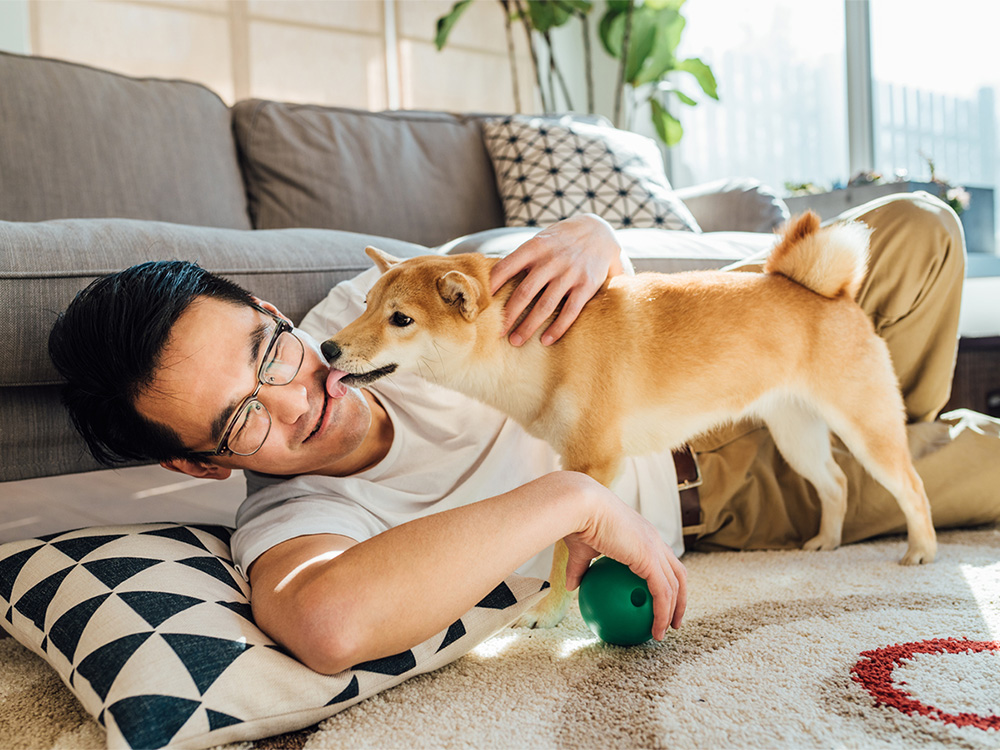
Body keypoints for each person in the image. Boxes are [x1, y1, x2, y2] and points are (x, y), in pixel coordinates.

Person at [48, 193, 1000, 676]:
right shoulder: (300, 512)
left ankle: (887, 421)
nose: (301, 393)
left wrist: (593, 234)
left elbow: (521, 272)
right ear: (200, 460)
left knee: (920, 224)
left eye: (270, 350)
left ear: (268, 307)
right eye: (245, 416)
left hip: (724, 349)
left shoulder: (364, 305)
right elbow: (326, 622)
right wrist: (573, 493)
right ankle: (909, 439)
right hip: (739, 494)